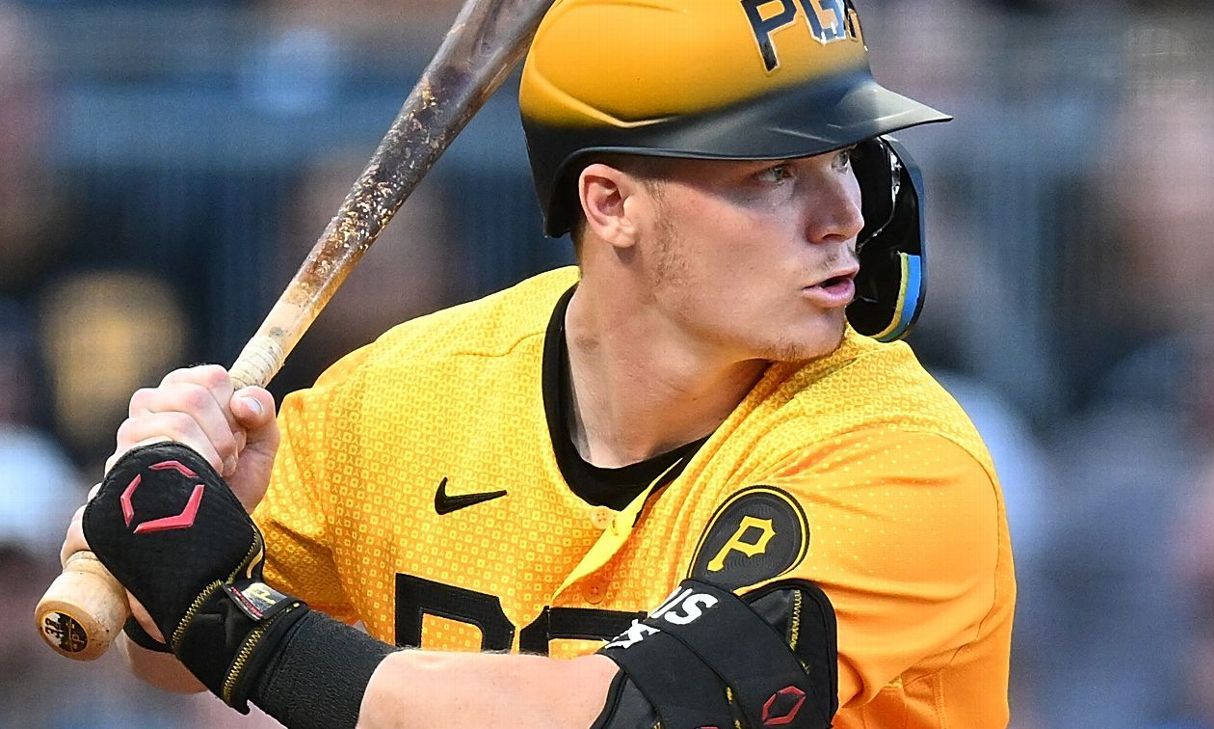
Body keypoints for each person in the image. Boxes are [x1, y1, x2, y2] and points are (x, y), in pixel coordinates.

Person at [59, 1, 1015, 727]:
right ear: (611, 203)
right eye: (775, 170)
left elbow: (624, 713)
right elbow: (166, 655)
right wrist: (179, 520)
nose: (845, 213)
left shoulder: (902, 459)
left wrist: (244, 631)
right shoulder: (408, 395)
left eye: (847, 157)